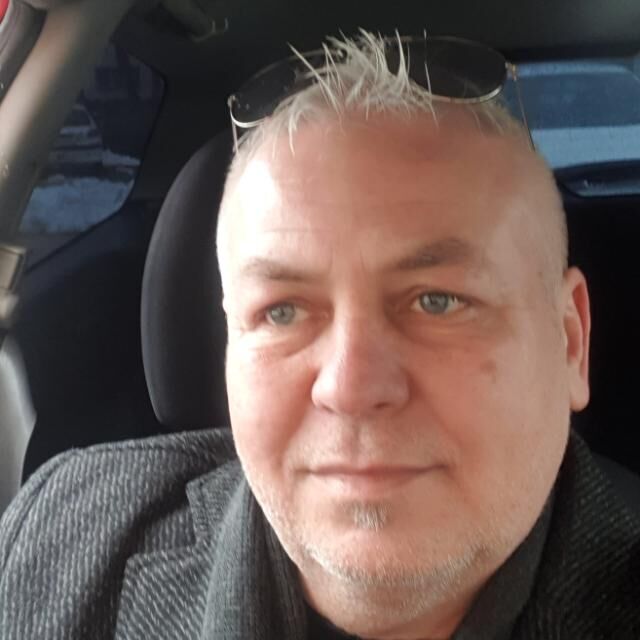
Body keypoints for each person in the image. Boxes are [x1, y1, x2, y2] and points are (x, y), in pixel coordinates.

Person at [1, 32, 639, 640]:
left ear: (570, 342)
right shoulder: (65, 538)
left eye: (437, 302)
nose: (350, 388)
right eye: (282, 311)